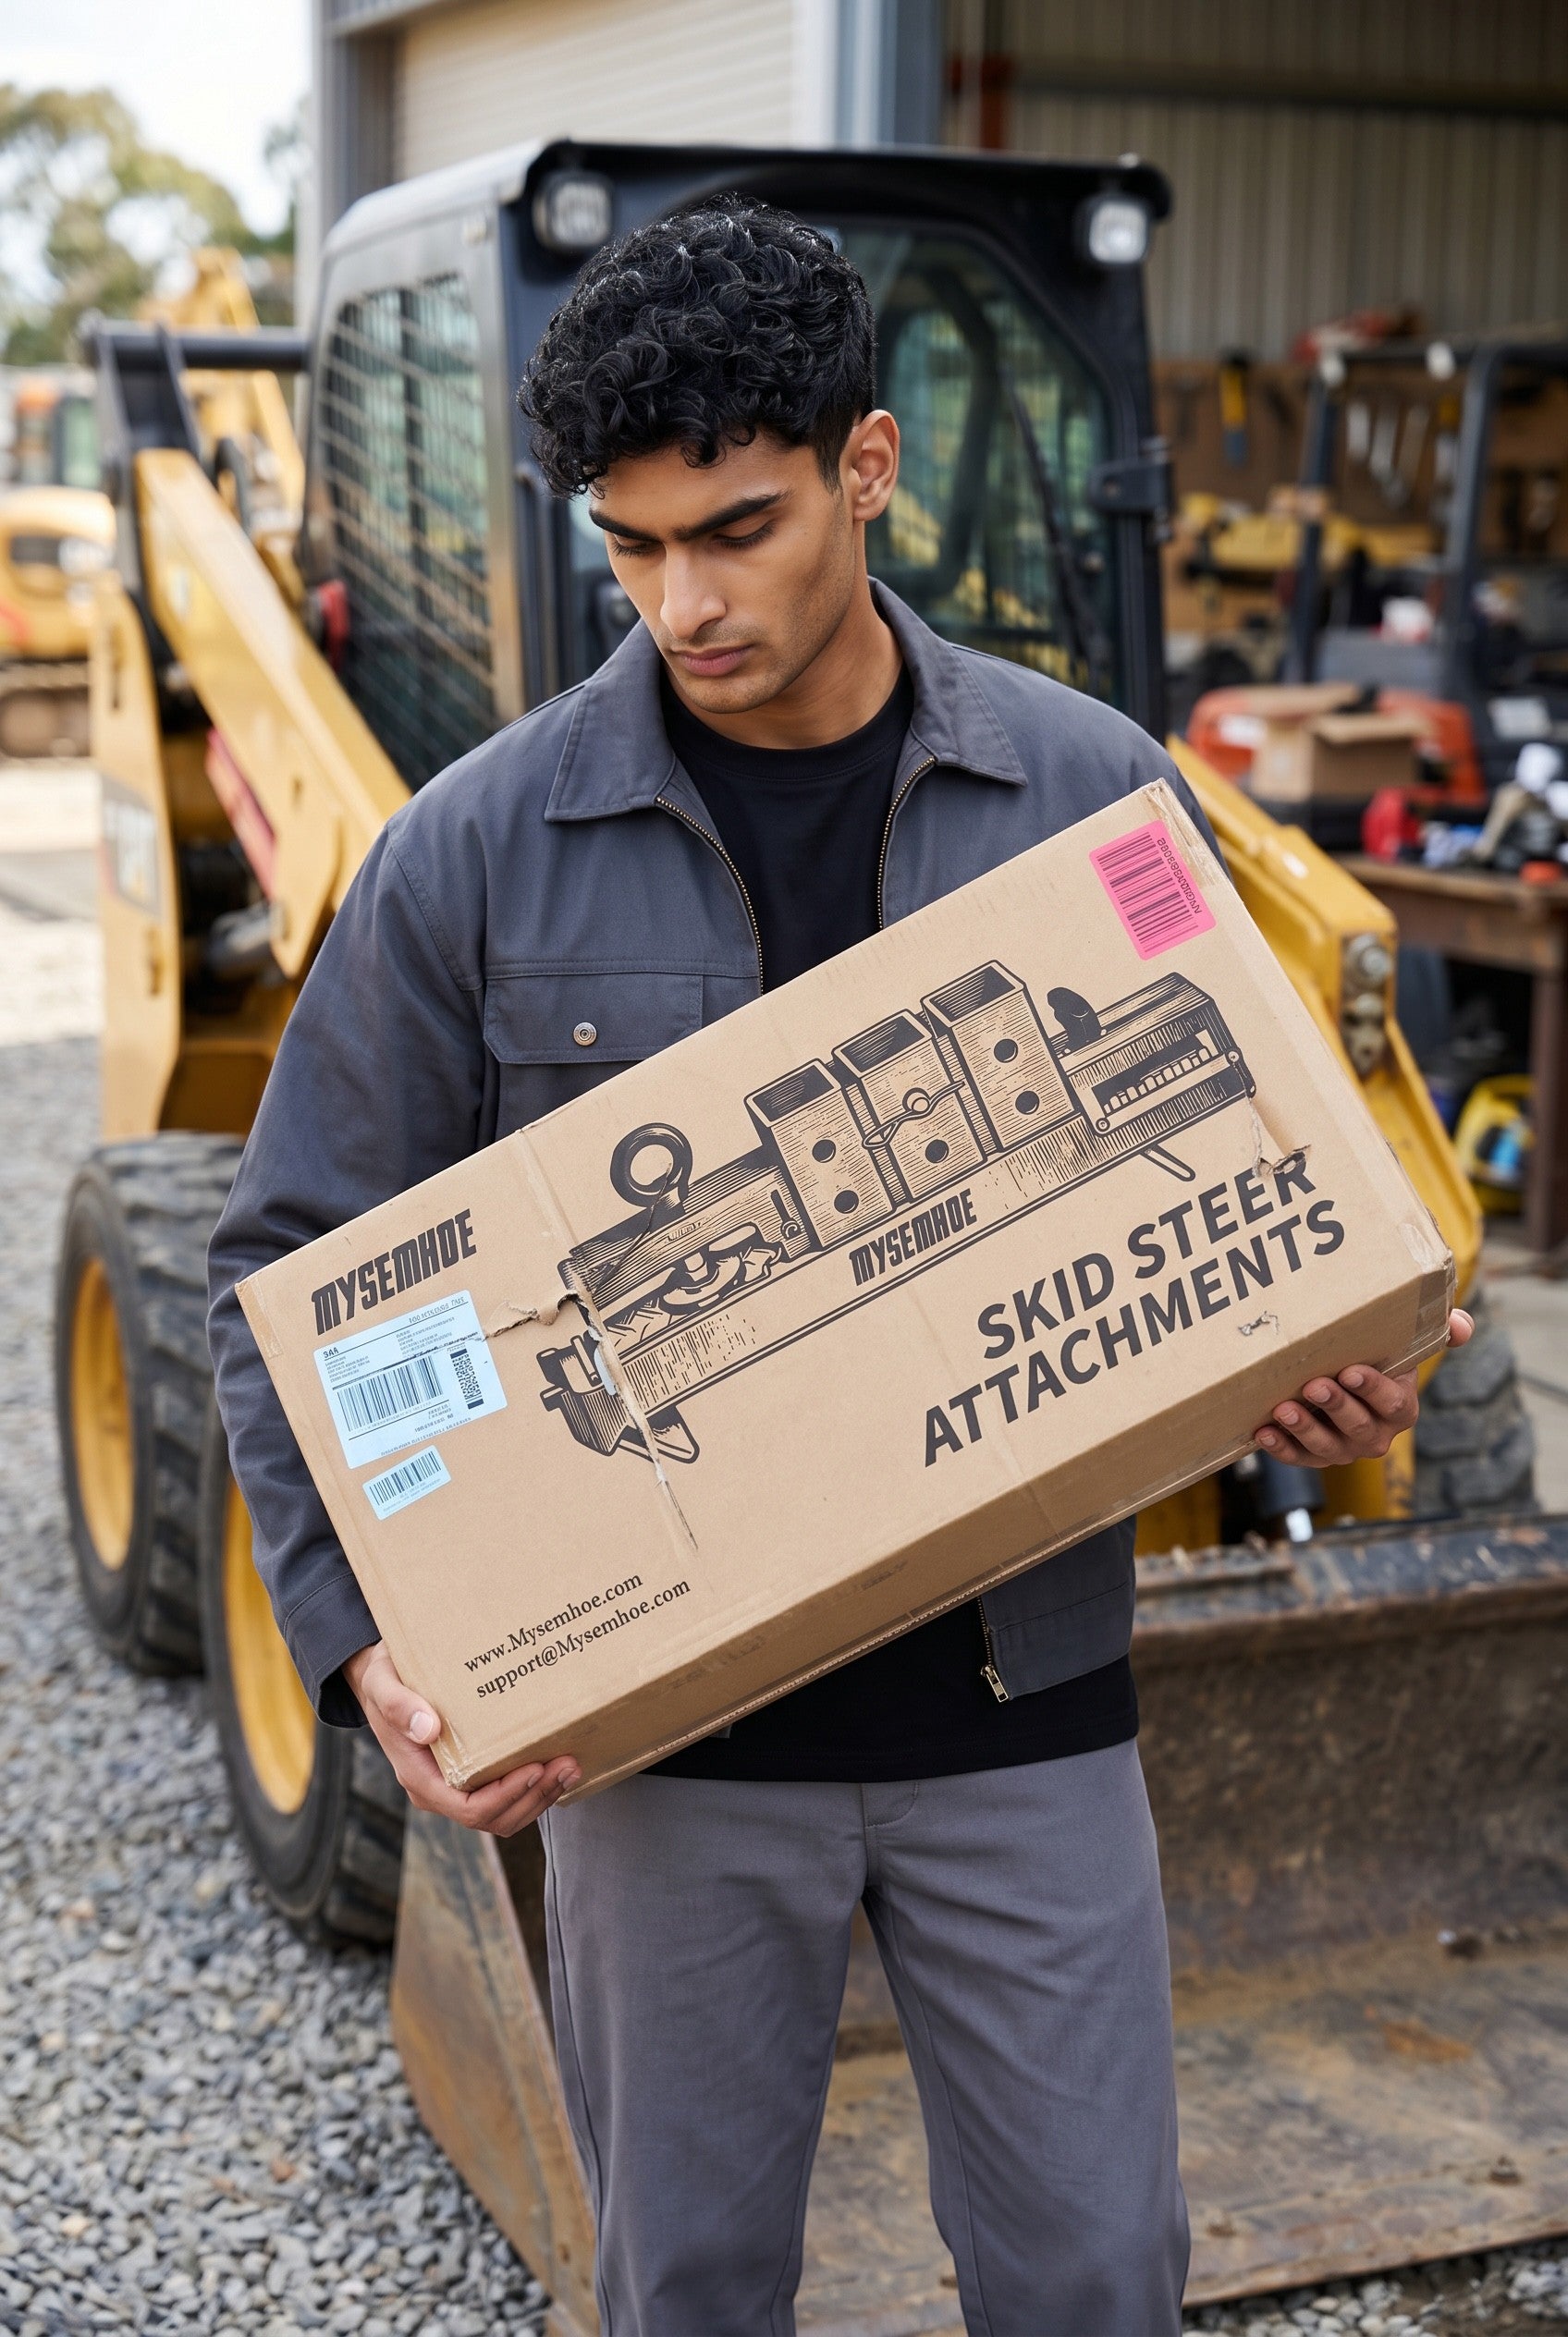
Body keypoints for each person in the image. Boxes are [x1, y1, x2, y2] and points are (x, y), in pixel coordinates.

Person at [208, 202, 1471, 2336]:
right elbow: (294, 1266)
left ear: (867, 468)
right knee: (689, 2287)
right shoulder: (476, 852)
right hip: (671, 1759)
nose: (681, 600)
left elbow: (1258, 1204)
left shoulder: (1089, 796)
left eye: (738, 528)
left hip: (1023, 1705)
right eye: (630, 546)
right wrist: (368, 1648)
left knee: (1091, 2275)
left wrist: (1330, 1396)